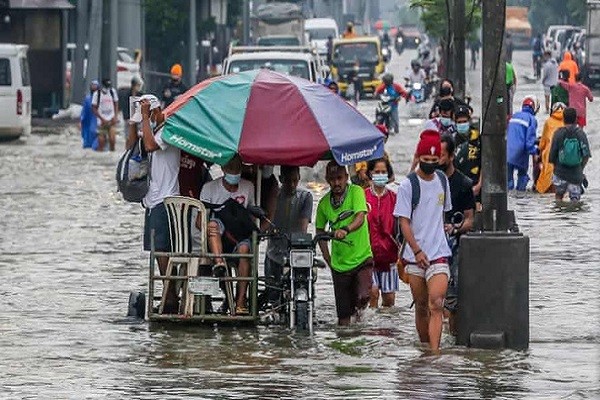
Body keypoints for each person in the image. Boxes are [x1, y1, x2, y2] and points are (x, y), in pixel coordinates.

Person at [394, 130, 452, 352]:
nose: (430, 164)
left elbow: (442, 214)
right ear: (418, 158)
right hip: (414, 256)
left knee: (436, 303)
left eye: (434, 161)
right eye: (425, 160)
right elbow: (404, 222)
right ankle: (425, 348)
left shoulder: (443, 181)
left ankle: (435, 354)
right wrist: (417, 251)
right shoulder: (408, 185)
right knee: (421, 306)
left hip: (438, 253)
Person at [138, 94, 181, 314]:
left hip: (166, 199)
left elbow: (149, 145)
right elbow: (135, 146)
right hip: (153, 199)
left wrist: (146, 118)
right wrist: (136, 120)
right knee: (158, 251)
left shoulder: (169, 132)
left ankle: (171, 297)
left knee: (164, 250)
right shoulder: (153, 130)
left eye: (150, 112)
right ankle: (169, 295)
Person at [316, 161, 373, 325]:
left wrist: (346, 230)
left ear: (347, 177)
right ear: (327, 180)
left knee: (363, 297)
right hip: (339, 265)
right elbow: (320, 232)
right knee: (343, 318)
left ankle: (361, 328)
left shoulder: (356, 192)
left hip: (362, 258)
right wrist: (328, 259)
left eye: (340, 178)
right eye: (332, 179)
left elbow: (360, 218)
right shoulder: (324, 204)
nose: (337, 183)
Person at [199, 155, 255, 314]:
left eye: (237, 169)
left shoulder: (248, 187)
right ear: (223, 169)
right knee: (213, 224)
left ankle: (241, 301)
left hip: (239, 236)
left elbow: (251, 216)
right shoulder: (210, 188)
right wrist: (209, 227)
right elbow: (198, 222)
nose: (235, 173)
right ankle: (219, 264)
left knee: (245, 250)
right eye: (231, 169)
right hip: (217, 238)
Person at [438, 135, 475, 335]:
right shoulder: (426, 182)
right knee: (429, 302)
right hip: (430, 249)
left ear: (452, 156)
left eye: (441, 155)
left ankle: (451, 342)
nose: (436, 160)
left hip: (454, 249)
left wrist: (454, 228)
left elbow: (471, 219)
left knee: (452, 302)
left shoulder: (463, 184)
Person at [265, 166, 313, 303]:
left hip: (297, 252)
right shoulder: (273, 196)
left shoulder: (305, 197)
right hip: (274, 252)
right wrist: (268, 231)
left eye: (295, 180)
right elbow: (268, 220)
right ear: (281, 179)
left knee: (305, 283)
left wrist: (301, 238)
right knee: (272, 293)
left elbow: (304, 225)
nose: (292, 185)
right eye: (287, 181)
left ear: (299, 178)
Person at [364, 158, 399, 308]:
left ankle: (385, 329)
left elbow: (401, 226)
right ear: (370, 173)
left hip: (389, 256)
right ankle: (370, 330)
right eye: (377, 172)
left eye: (383, 172)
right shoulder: (363, 197)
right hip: (368, 256)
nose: (380, 175)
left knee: (389, 300)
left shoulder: (394, 198)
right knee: (372, 293)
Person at [549, 107, 591, 202]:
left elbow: (551, 157)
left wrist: (557, 168)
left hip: (559, 174)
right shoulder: (581, 134)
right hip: (576, 175)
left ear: (563, 118)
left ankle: (559, 215)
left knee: (558, 199)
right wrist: (580, 168)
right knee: (575, 202)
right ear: (576, 119)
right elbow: (586, 155)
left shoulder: (558, 133)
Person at [507, 96, 539, 191]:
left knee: (508, 183)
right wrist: (535, 152)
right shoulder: (531, 119)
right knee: (522, 177)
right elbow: (529, 143)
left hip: (507, 152)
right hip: (520, 153)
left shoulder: (514, 115)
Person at [536, 102, 566, 194]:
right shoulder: (567, 122)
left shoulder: (548, 122)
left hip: (549, 152)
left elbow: (543, 141)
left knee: (545, 173)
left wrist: (540, 149)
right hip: (564, 153)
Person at [454, 117, 482, 207]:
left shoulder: (477, 140)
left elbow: (485, 165)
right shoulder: (452, 140)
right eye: (459, 122)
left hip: (476, 187)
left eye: (464, 121)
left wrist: (479, 185)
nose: (462, 124)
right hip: (458, 188)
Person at [92, 78, 119, 152]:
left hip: (111, 120)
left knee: (112, 140)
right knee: (101, 142)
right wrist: (101, 119)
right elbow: (94, 108)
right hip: (101, 121)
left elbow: (116, 104)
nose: (107, 88)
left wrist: (115, 116)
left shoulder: (112, 92)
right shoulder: (96, 94)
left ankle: (112, 155)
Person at [80, 80, 99, 149]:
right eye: (92, 85)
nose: (94, 87)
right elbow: (84, 112)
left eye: (95, 86)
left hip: (97, 122)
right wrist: (81, 121)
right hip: (88, 122)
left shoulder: (100, 99)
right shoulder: (87, 99)